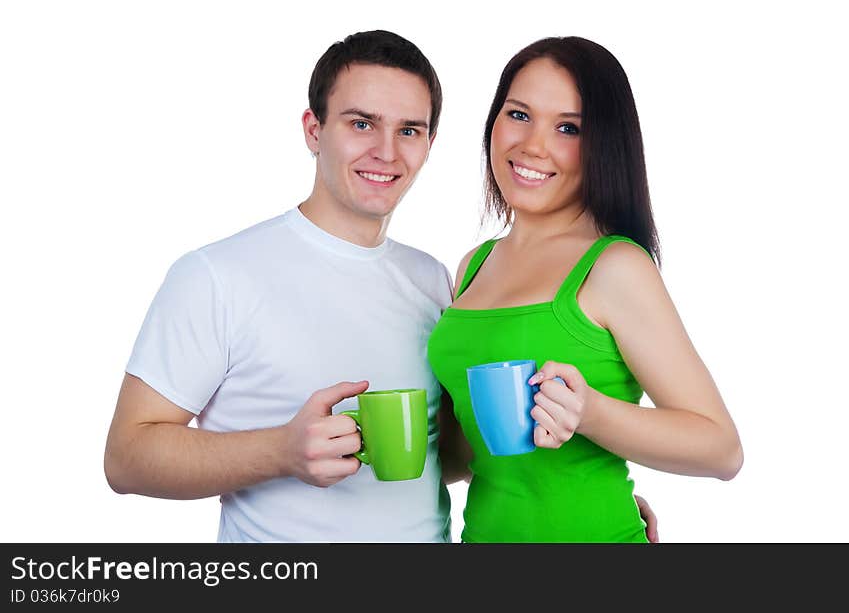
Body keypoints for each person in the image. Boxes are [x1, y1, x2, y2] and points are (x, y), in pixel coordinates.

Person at [104, 29, 660, 542]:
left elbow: (451, 455)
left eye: (408, 130)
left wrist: (588, 506)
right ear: (313, 130)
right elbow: (127, 458)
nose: (386, 151)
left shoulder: (434, 281)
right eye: (361, 123)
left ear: (428, 144)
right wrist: (280, 451)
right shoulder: (215, 276)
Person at [428, 36, 742, 542]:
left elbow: (721, 450)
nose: (532, 145)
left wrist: (590, 413)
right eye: (519, 114)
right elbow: (467, 458)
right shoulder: (474, 265)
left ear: (602, 145)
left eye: (568, 128)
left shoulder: (615, 266)